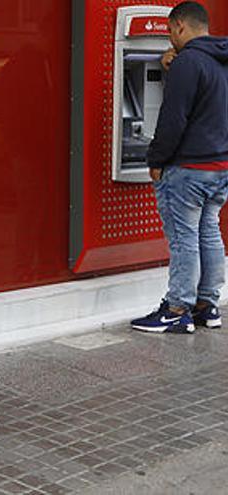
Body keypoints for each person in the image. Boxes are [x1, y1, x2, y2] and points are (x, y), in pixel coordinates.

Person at [132, 1, 228, 333]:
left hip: (188, 168)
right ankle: (207, 305)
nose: (170, 38)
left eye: (171, 31)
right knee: (209, 232)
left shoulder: (189, 62)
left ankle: (176, 309)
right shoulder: (220, 59)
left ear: (180, 27)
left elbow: (173, 119)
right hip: (219, 165)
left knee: (184, 239)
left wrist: (156, 159)